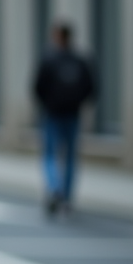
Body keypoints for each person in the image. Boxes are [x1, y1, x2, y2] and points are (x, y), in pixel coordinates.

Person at [33, 20, 94, 214]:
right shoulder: (81, 59)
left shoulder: (48, 59)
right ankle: (66, 197)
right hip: (73, 114)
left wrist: (47, 103)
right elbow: (92, 88)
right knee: (69, 157)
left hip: (52, 114)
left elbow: (37, 87)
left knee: (50, 154)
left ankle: (54, 189)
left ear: (57, 37)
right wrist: (77, 103)